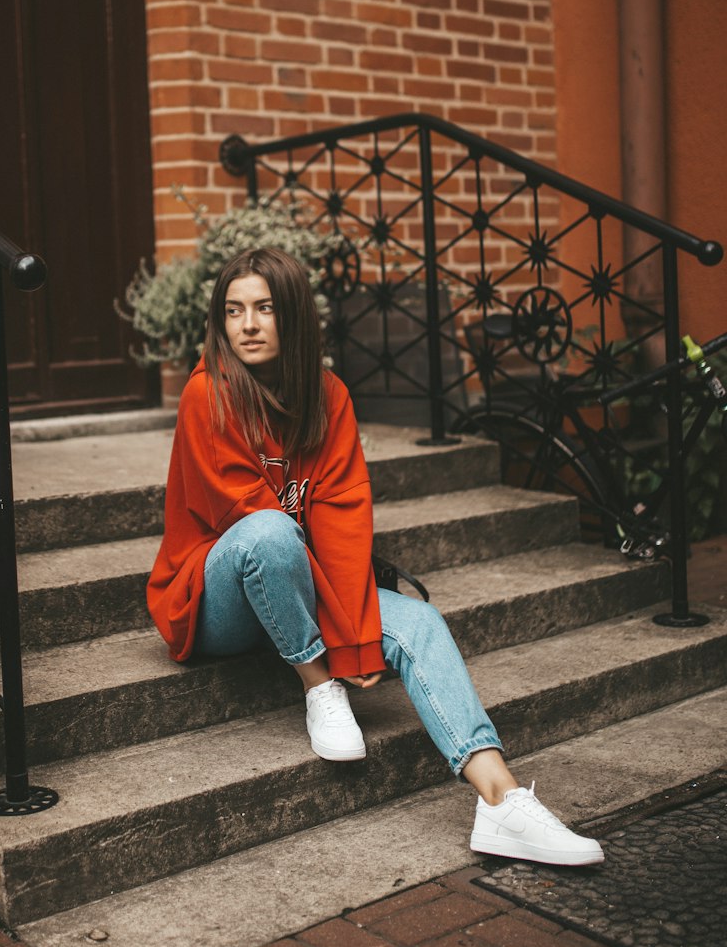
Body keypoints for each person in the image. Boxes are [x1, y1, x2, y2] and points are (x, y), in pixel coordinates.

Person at [147, 247, 604, 868]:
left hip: (298, 589)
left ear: (295, 319)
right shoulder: (208, 395)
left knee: (419, 625)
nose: (247, 325)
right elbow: (244, 518)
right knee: (271, 532)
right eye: (233, 311)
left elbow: (340, 520)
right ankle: (318, 685)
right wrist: (340, 649)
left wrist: (360, 631)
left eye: (264, 309)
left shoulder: (328, 396)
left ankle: (502, 800)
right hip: (214, 600)